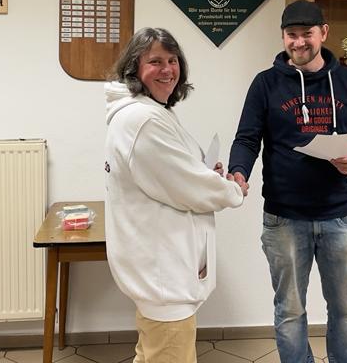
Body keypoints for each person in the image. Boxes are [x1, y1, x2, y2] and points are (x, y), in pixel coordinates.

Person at [228, 0, 347, 363]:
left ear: (323, 33)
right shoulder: (265, 84)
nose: (299, 42)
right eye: (291, 35)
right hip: (284, 218)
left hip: (339, 217)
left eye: (306, 34)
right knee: (290, 312)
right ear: (283, 36)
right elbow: (247, 139)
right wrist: (238, 172)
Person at [104, 27, 245, 363]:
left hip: (161, 273)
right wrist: (232, 190)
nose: (167, 69)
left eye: (172, 60)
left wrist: (204, 172)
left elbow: (176, 173)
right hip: (163, 274)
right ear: (134, 68)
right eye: (155, 61)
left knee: (153, 354)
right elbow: (186, 185)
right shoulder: (143, 120)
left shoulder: (152, 112)